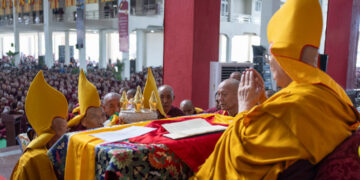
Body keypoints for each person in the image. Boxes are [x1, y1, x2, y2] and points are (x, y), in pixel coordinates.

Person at [194, 0, 359, 179]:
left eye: (268, 56)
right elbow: (288, 132)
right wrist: (263, 104)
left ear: (281, 57)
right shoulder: (330, 93)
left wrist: (244, 108)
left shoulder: (295, 103)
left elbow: (240, 156)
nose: (268, 62)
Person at [11, 71, 68, 179]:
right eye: (64, 129)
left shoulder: (63, 148)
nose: (67, 133)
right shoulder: (35, 159)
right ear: (51, 132)